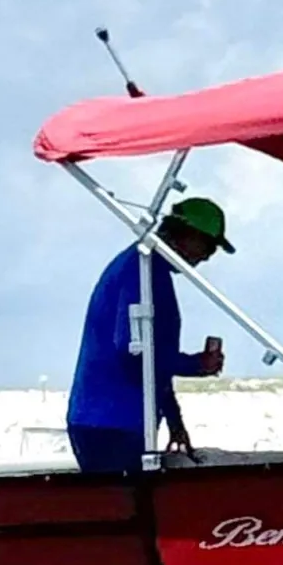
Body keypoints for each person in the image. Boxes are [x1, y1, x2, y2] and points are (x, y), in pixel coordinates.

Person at [65, 196, 230, 472]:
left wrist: (175, 423)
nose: (208, 255)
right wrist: (194, 365)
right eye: (208, 245)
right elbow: (132, 351)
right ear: (186, 235)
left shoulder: (149, 268)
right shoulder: (141, 270)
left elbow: (150, 362)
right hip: (111, 425)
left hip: (110, 422)